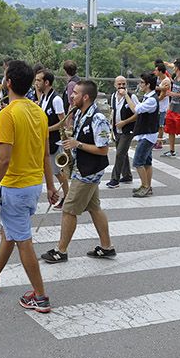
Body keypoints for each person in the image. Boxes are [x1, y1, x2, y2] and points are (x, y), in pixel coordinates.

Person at [0, 60, 59, 314]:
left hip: (16, 187)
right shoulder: (39, 112)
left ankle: (40, 296)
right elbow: (45, 155)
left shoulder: (8, 113)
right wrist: (51, 187)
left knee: (22, 240)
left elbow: (4, 159)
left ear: (8, 82)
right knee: (9, 232)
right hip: (33, 186)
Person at [41, 80, 115, 263]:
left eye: (75, 93)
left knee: (68, 210)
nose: (71, 95)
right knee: (94, 208)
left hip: (88, 171)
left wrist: (77, 144)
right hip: (83, 167)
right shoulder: (80, 113)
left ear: (86, 97)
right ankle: (107, 247)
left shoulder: (98, 118)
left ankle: (61, 251)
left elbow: (103, 149)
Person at [34, 69, 71, 206]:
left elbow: (63, 122)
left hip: (54, 142)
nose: (36, 83)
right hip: (46, 141)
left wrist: (47, 129)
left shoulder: (56, 99)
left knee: (58, 172)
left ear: (47, 82)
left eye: (38, 80)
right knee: (52, 171)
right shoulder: (44, 97)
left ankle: (67, 198)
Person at [130, 72, 159, 198]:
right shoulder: (148, 97)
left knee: (138, 162)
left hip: (148, 135)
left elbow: (136, 109)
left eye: (142, 82)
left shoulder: (152, 100)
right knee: (147, 162)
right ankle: (147, 186)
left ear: (148, 85)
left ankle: (145, 186)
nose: (140, 84)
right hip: (146, 133)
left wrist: (126, 96)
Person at [106, 75, 138, 188]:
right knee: (123, 152)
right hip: (116, 130)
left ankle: (114, 179)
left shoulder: (131, 96)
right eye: (119, 84)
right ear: (115, 85)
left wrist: (125, 122)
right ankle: (127, 175)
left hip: (128, 130)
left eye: (123, 84)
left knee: (119, 153)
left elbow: (137, 113)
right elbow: (113, 111)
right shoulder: (113, 96)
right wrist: (111, 128)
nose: (121, 86)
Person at [154, 63, 171, 150]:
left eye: (156, 70)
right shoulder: (158, 79)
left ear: (160, 71)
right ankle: (156, 141)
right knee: (156, 124)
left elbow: (163, 95)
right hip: (158, 105)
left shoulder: (166, 81)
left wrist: (153, 100)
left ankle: (159, 142)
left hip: (162, 106)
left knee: (160, 125)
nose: (155, 72)